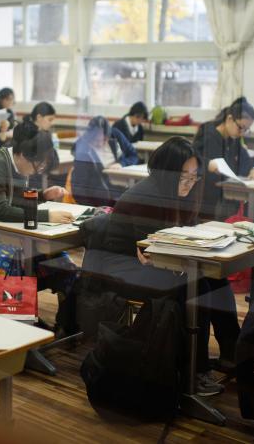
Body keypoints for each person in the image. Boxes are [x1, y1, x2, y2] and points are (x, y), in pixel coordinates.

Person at [89, 136, 237, 395]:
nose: (190, 183)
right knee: (197, 288)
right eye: (184, 177)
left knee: (217, 279)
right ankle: (195, 370)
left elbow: (180, 236)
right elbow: (153, 253)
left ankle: (232, 355)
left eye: (194, 176)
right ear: (167, 173)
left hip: (155, 263)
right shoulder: (147, 196)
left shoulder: (177, 193)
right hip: (124, 267)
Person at [0, 120, 72, 237]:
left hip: (3, 232)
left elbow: (18, 201)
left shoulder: (18, 165)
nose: (37, 171)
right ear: (23, 155)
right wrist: (48, 216)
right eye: (38, 166)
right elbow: (1, 211)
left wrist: (43, 195)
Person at [193, 97, 254, 221]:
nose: (242, 133)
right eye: (241, 127)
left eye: (246, 130)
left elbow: (246, 159)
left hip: (225, 196)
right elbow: (194, 161)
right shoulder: (208, 135)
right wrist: (208, 164)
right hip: (206, 200)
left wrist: (253, 169)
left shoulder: (232, 138)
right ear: (229, 119)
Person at [71, 116, 138, 207]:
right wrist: (90, 208)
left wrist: (121, 163)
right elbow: (79, 187)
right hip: (101, 198)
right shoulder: (84, 150)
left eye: (104, 139)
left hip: (123, 188)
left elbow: (133, 155)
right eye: (96, 140)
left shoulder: (115, 135)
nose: (100, 143)